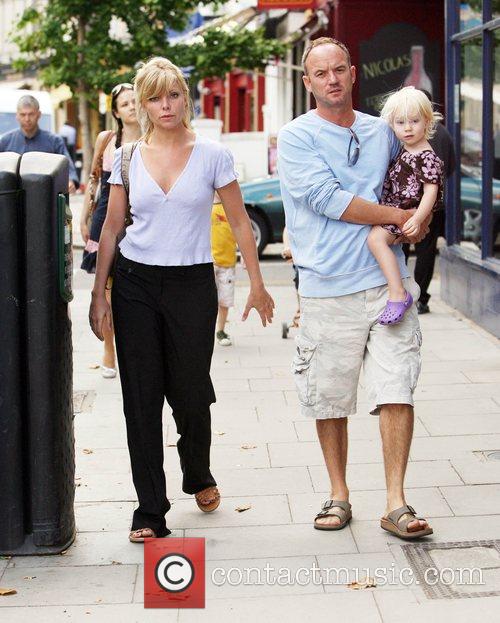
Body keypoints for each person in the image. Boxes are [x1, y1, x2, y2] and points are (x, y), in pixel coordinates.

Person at [89, 57, 274, 542]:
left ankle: (198, 471)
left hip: (193, 285)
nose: (164, 105)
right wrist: (98, 294)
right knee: (141, 398)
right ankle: (150, 509)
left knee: (191, 391)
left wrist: (256, 283)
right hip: (135, 285)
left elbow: (238, 223)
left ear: (184, 97)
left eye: (172, 94)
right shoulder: (126, 157)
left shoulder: (212, 153)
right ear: (142, 104)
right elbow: (111, 228)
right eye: (154, 97)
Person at [278, 37, 433, 539]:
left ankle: (396, 502)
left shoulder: (382, 132)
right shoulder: (296, 137)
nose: (331, 79)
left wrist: (419, 222)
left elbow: (410, 181)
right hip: (326, 288)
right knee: (330, 397)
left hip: (387, 283)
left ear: (353, 72)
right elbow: (328, 199)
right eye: (320, 73)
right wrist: (397, 216)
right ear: (307, 82)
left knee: (397, 388)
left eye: (339, 69)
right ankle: (338, 494)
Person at [367, 87, 444, 325]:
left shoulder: (425, 155)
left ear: (427, 121)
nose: (407, 128)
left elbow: (431, 191)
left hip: (406, 212)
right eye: (400, 122)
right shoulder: (406, 150)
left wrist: (417, 218)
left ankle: (398, 293)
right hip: (397, 209)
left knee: (376, 241)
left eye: (414, 121)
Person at [80, 83, 141, 378]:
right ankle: (108, 350)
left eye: (134, 101)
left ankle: (133, 346)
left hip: (139, 217)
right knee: (106, 286)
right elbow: (93, 182)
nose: (130, 106)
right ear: (115, 111)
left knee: (130, 287)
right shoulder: (106, 139)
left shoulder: (151, 135)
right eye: (124, 103)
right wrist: (83, 216)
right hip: (107, 216)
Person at [403, 90, 456, 314]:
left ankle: (402, 292)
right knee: (426, 250)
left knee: (400, 248)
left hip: (406, 204)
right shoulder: (442, 132)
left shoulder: (403, 132)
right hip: (435, 206)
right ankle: (421, 299)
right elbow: (451, 167)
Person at [0, 95, 78, 193]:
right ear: (17, 116)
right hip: (13, 198)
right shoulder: (5, 141)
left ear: (39, 114)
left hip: (45, 196)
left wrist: (70, 180)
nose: (27, 119)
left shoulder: (54, 141)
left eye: (31, 114)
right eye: (23, 115)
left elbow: (67, 165)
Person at [211, 193, 237, 346]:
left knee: (224, 300)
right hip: (209, 262)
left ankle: (220, 330)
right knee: (207, 300)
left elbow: (240, 231)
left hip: (228, 263)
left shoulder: (231, 208)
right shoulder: (206, 207)